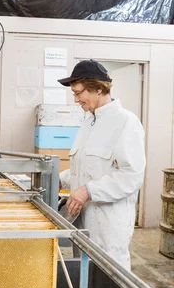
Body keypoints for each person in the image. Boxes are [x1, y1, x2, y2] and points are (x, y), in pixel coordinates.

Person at [58, 60, 145, 269]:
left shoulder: (126, 122)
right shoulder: (89, 120)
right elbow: (86, 169)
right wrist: (56, 177)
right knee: (85, 279)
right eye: (74, 94)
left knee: (108, 283)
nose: (76, 99)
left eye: (79, 93)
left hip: (108, 227)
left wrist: (89, 191)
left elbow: (131, 176)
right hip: (84, 222)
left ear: (98, 88)